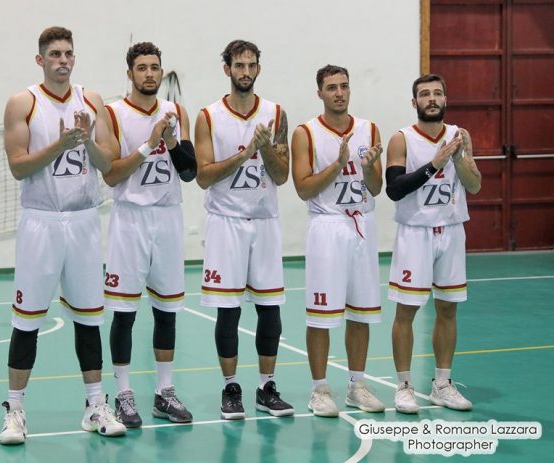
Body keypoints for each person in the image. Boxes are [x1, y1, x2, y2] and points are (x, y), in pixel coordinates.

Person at [0, 26, 126, 444]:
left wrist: (85, 140)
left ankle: (95, 405)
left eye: (69, 53)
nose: (63, 60)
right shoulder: (23, 103)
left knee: (89, 317)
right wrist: (59, 144)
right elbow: (18, 166)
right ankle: (15, 410)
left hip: (85, 220)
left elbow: (108, 162)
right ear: (40, 60)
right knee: (28, 320)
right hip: (41, 222)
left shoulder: (92, 100)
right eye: (55, 53)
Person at [194, 40, 293, 420]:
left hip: (265, 222)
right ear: (227, 69)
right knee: (228, 312)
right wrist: (244, 152)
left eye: (252, 65)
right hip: (226, 223)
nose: (246, 71)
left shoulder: (276, 113)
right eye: (239, 65)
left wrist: (266, 149)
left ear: (258, 69)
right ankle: (230, 388)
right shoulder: (208, 116)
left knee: (270, 311)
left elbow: (282, 176)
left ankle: (267, 386)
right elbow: (203, 177)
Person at [102, 42, 197, 428]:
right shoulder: (113, 113)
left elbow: (190, 172)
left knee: (167, 310)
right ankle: (124, 393)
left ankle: (164, 392)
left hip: (168, 218)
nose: (149, 74)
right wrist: (148, 143)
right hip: (130, 219)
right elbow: (111, 173)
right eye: (141, 67)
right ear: (129, 73)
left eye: (155, 67)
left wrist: (171, 142)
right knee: (124, 313)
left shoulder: (177, 113)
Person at [291, 65, 386, 417]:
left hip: (362, 224)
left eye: (344, 86)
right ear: (320, 92)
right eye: (332, 87)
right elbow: (302, 188)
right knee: (321, 315)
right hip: (327, 226)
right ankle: (319, 390)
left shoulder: (369, 129)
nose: (339, 93)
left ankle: (356, 385)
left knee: (360, 313)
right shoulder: (306, 133)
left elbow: (377, 188)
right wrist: (338, 164)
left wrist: (368, 168)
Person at [385, 73, 481, 414]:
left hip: (452, 230)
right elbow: (394, 189)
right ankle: (404, 385)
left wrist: (458, 160)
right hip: (415, 233)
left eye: (437, 93)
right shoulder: (402, 139)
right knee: (406, 311)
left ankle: (442, 383)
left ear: (445, 99)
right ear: (415, 103)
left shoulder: (460, 136)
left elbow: (474, 185)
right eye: (424, 94)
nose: (431, 98)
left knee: (448, 308)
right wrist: (436, 163)